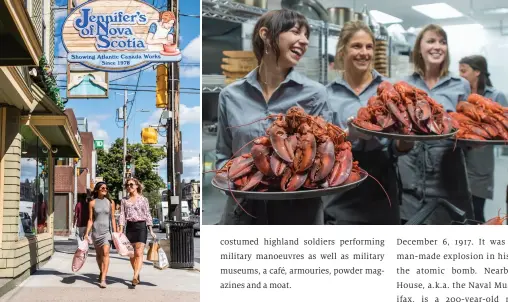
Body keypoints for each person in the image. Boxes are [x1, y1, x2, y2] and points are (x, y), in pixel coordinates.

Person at [215, 9, 330, 225]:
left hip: (299, 217)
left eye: (307, 36)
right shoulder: (230, 95)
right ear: (266, 34)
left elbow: (324, 157)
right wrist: (236, 184)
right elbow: (223, 156)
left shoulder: (315, 94)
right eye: (296, 32)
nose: (304, 41)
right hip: (242, 215)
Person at [324, 20, 413, 225]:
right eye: (356, 46)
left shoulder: (389, 89)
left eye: (369, 46)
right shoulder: (327, 94)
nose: (364, 52)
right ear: (342, 51)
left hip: (382, 183)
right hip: (339, 186)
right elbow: (322, 145)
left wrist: (407, 139)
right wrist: (347, 135)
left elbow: (397, 148)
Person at [398, 24, 474, 224]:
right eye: (431, 41)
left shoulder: (461, 85)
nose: (437, 46)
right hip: (410, 179)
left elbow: (467, 131)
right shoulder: (404, 84)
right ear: (419, 49)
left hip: (448, 176)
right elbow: (396, 135)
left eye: (442, 42)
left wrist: (473, 140)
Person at [458, 55, 508, 222]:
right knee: (458, 212)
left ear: (477, 72)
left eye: (464, 71)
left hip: (480, 165)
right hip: (457, 159)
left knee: (476, 211)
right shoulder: (458, 92)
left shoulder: (496, 95)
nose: (461, 75)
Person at [118, 178, 156, 286]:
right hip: (130, 227)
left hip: (141, 227)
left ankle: (134, 276)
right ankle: (137, 272)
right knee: (132, 254)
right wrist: (120, 231)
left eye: (131, 184)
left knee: (139, 253)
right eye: (127, 185)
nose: (129, 187)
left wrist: (151, 230)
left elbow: (148, 214)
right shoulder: (124, 200)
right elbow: (122, 215)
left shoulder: (143, 199)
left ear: (136, 186)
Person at [83, 182, 117, 288]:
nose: (105, 189)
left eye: (106, 188)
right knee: (99, 255)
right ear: (97, 189)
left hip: (107, 232)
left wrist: (115, 233)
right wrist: (86, 233)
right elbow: (90, 219)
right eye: (102, 188)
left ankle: (103, 279)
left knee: (106, 253)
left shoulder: (110, 202)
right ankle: (102, 271)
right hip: (96, 232)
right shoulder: (92, 203)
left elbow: (112, 218)